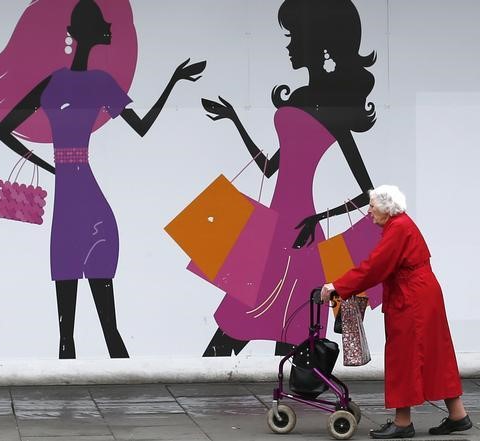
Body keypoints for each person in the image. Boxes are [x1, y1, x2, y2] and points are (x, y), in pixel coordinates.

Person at [0, 0, 204, 358]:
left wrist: (49, 165)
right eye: (104, 22)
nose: (111, 28)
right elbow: (143, 127)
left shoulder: (62, 83)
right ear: (91, 32)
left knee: (76, 332)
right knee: (95, 330)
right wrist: (173, 83)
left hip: (79, 201)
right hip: (83, 199)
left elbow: (3, 132)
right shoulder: (98, 83)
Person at [200, 0, 376, 356]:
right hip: (275, 231)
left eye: (294, 36)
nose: (289, 46)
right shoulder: (300, 97)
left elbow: (367, 193)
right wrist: (235, 120)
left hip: (300, 237)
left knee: (293, 340)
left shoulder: (329, 105)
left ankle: (293, 405)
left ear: (318, 43)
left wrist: (318, 219)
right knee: (233, 329)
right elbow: (269, 167)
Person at [321, 185, 472, 438]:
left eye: (373, 206)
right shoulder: (399, 225)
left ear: (387, 207)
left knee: (403, 356)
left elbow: (374, 267)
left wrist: (337, 286)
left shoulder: (398, 228)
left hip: (412, 298)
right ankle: (458, 416)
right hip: (423, 293)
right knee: (435, 354)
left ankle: (403, 423)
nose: (369, 212)